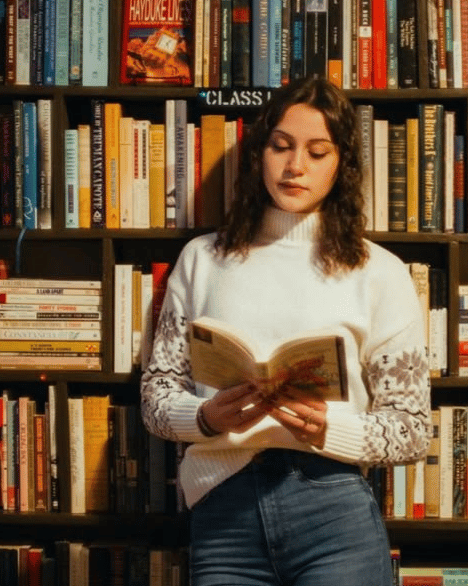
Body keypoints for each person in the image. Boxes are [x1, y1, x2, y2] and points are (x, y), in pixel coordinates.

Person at [140, 76, 431, 586]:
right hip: (223, 510)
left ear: (341, 164)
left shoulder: (378, 271)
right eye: (281, 147)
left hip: (332, 511)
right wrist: (206, 416)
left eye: (317, 152)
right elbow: (156, 398)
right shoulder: (202, 260)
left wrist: (330, 429)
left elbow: (411, 428)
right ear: (258, 154)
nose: (295, 167)